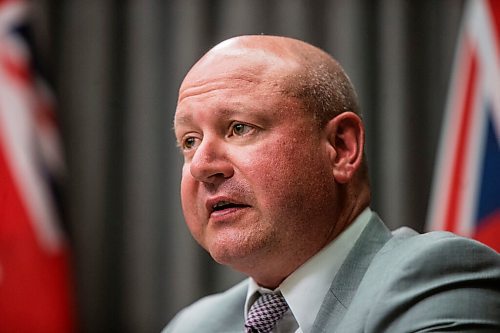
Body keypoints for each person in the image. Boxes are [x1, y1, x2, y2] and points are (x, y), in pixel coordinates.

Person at [164, 35, 500, 332]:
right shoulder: (193, 325)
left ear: (341, 148)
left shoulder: (438, 280)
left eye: (239, 128)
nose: (202, 166)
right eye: (190, 141)